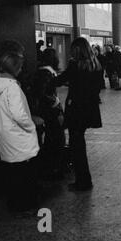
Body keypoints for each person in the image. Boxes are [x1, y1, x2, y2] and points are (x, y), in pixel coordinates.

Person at [0, 41, 40, 211]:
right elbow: (19, 115)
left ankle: (14, 204)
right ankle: (26, 206)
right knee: (26, 174)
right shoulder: (12, 88)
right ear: (15, 68)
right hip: (19, 139)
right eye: (20, 67)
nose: (22, 70)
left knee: (13, 174)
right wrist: (31, 124)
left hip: (5, 138)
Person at [55, 37, 102, 191]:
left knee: (77, 147)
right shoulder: (95, 65)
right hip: (88, 111)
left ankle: (83, 182)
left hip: (76, 111)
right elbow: (97, 88)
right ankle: (84, 180)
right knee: (79, 144)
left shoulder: (75, 65)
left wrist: (48, 79)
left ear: (76, 50)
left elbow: (61, 79)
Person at [31, 48, 66, 180]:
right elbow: (42, 93)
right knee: (56, 137)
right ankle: (53, 168)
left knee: (53, 137)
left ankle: (53, 167)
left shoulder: (44, 72)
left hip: (48, 110)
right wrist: (54, 102)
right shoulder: (46, 73)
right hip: (50, 111)